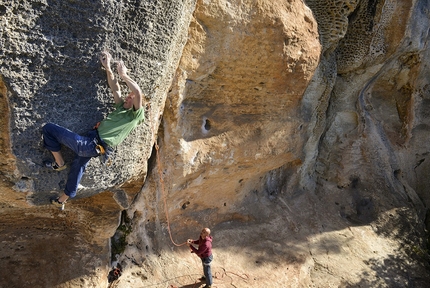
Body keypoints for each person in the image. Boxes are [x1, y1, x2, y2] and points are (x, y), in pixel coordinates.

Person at [42, 51, 147, 210]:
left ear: (136, 104)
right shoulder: (121, 109)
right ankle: (62, 200)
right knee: (78, 166)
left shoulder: (135, 116)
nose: (128, 97)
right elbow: (115, 88)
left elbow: (138, 92)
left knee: (48, 129)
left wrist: (123, 74)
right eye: (129, 95)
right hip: (94, 144)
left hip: (91, 145)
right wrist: (108, 68)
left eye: (131, 97)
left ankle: (59, 163)